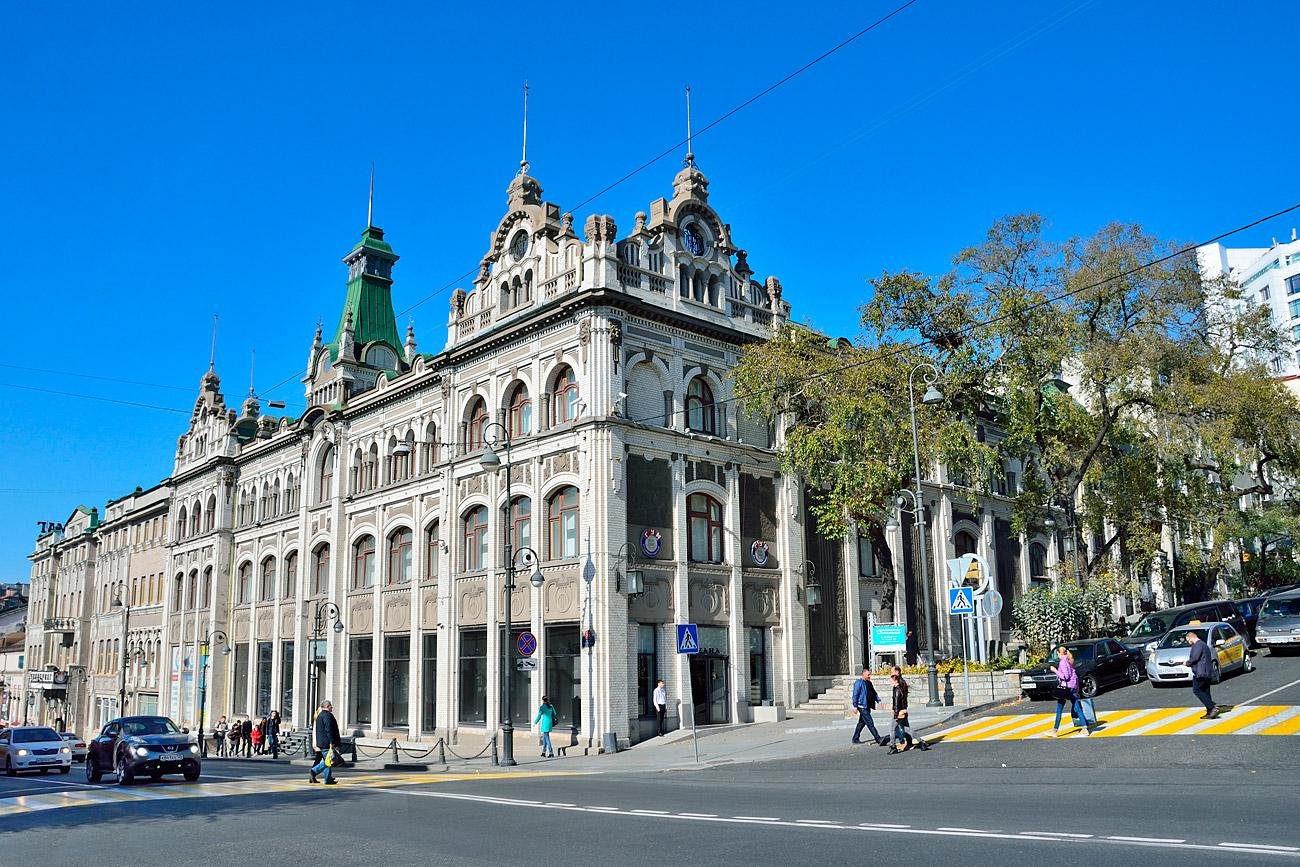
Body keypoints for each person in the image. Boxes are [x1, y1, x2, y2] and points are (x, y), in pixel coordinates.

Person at [1050, 645, 1090, 736]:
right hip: (1072, 688)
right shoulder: (1069, 661)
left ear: (1060, 653)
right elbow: (1074, 676)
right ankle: (1085, 728)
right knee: (1077, 708)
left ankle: (1055, 731)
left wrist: (1055, 670)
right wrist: (1077, 689)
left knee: (1059, 709)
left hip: (1066, 689)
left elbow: (1065, 677)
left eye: (1057, 653)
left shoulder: (1063, 662)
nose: (1057, 655)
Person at [887, 670, 929, 753]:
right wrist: (904, 710)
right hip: (903, 711)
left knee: (892, 729)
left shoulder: (897, 690)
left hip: (899, 712)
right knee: (906, 729)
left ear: (895, 681)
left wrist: (895, 714)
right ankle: (921, 742)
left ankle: (893, 746)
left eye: (891, 681)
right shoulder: (902, 688)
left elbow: (896, 703)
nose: (890, 683)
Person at [1186, 629, 1221, 720]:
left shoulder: (1197, 645)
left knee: (1197, 690)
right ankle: (1210, 712)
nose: (1189, 643)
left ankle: (1212, 707)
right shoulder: (1204, 645)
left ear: (1191, 638)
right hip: (1207, 672)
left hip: (1201, 672)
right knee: (1205, 691)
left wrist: (1187, 663)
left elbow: (1194, 658)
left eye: (1188, 641)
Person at [310, 700, 342, 785]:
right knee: (329, 760)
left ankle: (328, 779)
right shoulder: (327, 715)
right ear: (327, 706)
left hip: (322, 742)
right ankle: (314, 771)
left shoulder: (320, 715)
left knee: (328, 760)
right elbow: (329, 730)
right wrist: (332, 741)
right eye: (331, 706)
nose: (332, 707)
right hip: (326, 743)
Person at [850, 668, 885, 746]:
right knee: (870, 722)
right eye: (868, 675)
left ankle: (855, 738)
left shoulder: (869, 683)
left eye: (870, 674)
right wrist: (855, 706)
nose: (869, 676)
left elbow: (873, 692)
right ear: (863, 674)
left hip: (867, 705)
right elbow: (855, 695)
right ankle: (878, 738)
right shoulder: (858, 683)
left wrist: (879, 701)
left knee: (861, 723)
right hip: (862, 706)